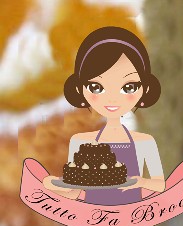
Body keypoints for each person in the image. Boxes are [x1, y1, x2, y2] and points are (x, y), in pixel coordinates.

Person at [43, 26, 166, 204]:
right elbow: (74, 193)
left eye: (128, 87)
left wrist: (141, 182)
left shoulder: (143, 142)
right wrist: (52, 186)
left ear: (144, 88)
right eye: (96, 87)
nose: (112, 98)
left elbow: (159, 185)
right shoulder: (80, 142)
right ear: (79, 89)